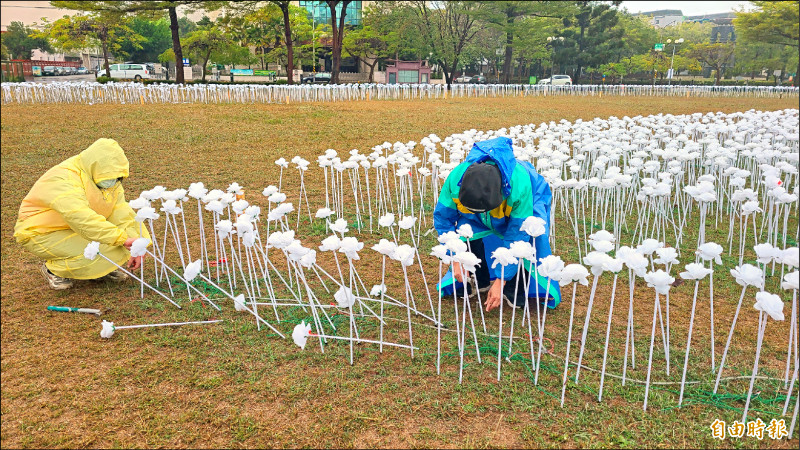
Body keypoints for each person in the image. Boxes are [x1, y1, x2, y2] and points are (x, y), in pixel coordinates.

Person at [433, 136, 560, 311]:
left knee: (531, 236)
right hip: (480, 211)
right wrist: (454, 257)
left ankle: (513, 289)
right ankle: (481, 279)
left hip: (531, 196)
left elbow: (517, 235)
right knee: (466, 231)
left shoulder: (519, 185)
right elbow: (443, 219)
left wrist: (501, 279)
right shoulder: (455, 179)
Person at [14, 138, 150, 290]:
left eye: (117, 177)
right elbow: (81, 218)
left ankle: (99, 270)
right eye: (108, 177)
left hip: (76, 227)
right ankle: (53, 269)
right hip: (42, 232)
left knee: (120, 245)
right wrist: (122, 239)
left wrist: (137, 244)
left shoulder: (112, 182)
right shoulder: (63, 178)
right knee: (99, 250)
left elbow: (122, 214)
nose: (112, 182)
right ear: (94, 167)